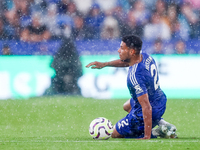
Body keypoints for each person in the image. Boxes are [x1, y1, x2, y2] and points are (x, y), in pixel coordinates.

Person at [86, 35, 177, 139]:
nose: (118, 50)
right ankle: (162, 123)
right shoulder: (146, 57)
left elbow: (146, 107)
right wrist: (105, 64)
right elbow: (126, 63)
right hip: (160, 100)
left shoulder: (135, 76)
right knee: (127, 106)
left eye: (122, 48)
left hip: (151, 109)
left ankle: (155, 132)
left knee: (115, 134)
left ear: (132, 52)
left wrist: (147, 136)